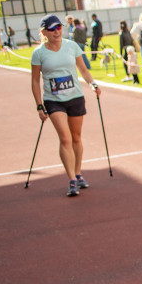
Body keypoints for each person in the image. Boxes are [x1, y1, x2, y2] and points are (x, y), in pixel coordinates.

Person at [29, 14, 102, 197]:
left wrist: (92, 84)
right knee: (65, 138)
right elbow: (35, 81)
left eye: (59, 27)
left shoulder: (72, 46)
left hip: (75, 97)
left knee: (76, 138)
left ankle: (78, 174)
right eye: (52, 29)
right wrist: (39, 105)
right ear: (44, 31)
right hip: (53, 100)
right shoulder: (39, 53)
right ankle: (71, 179)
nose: (57, 31)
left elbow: (83, 70)